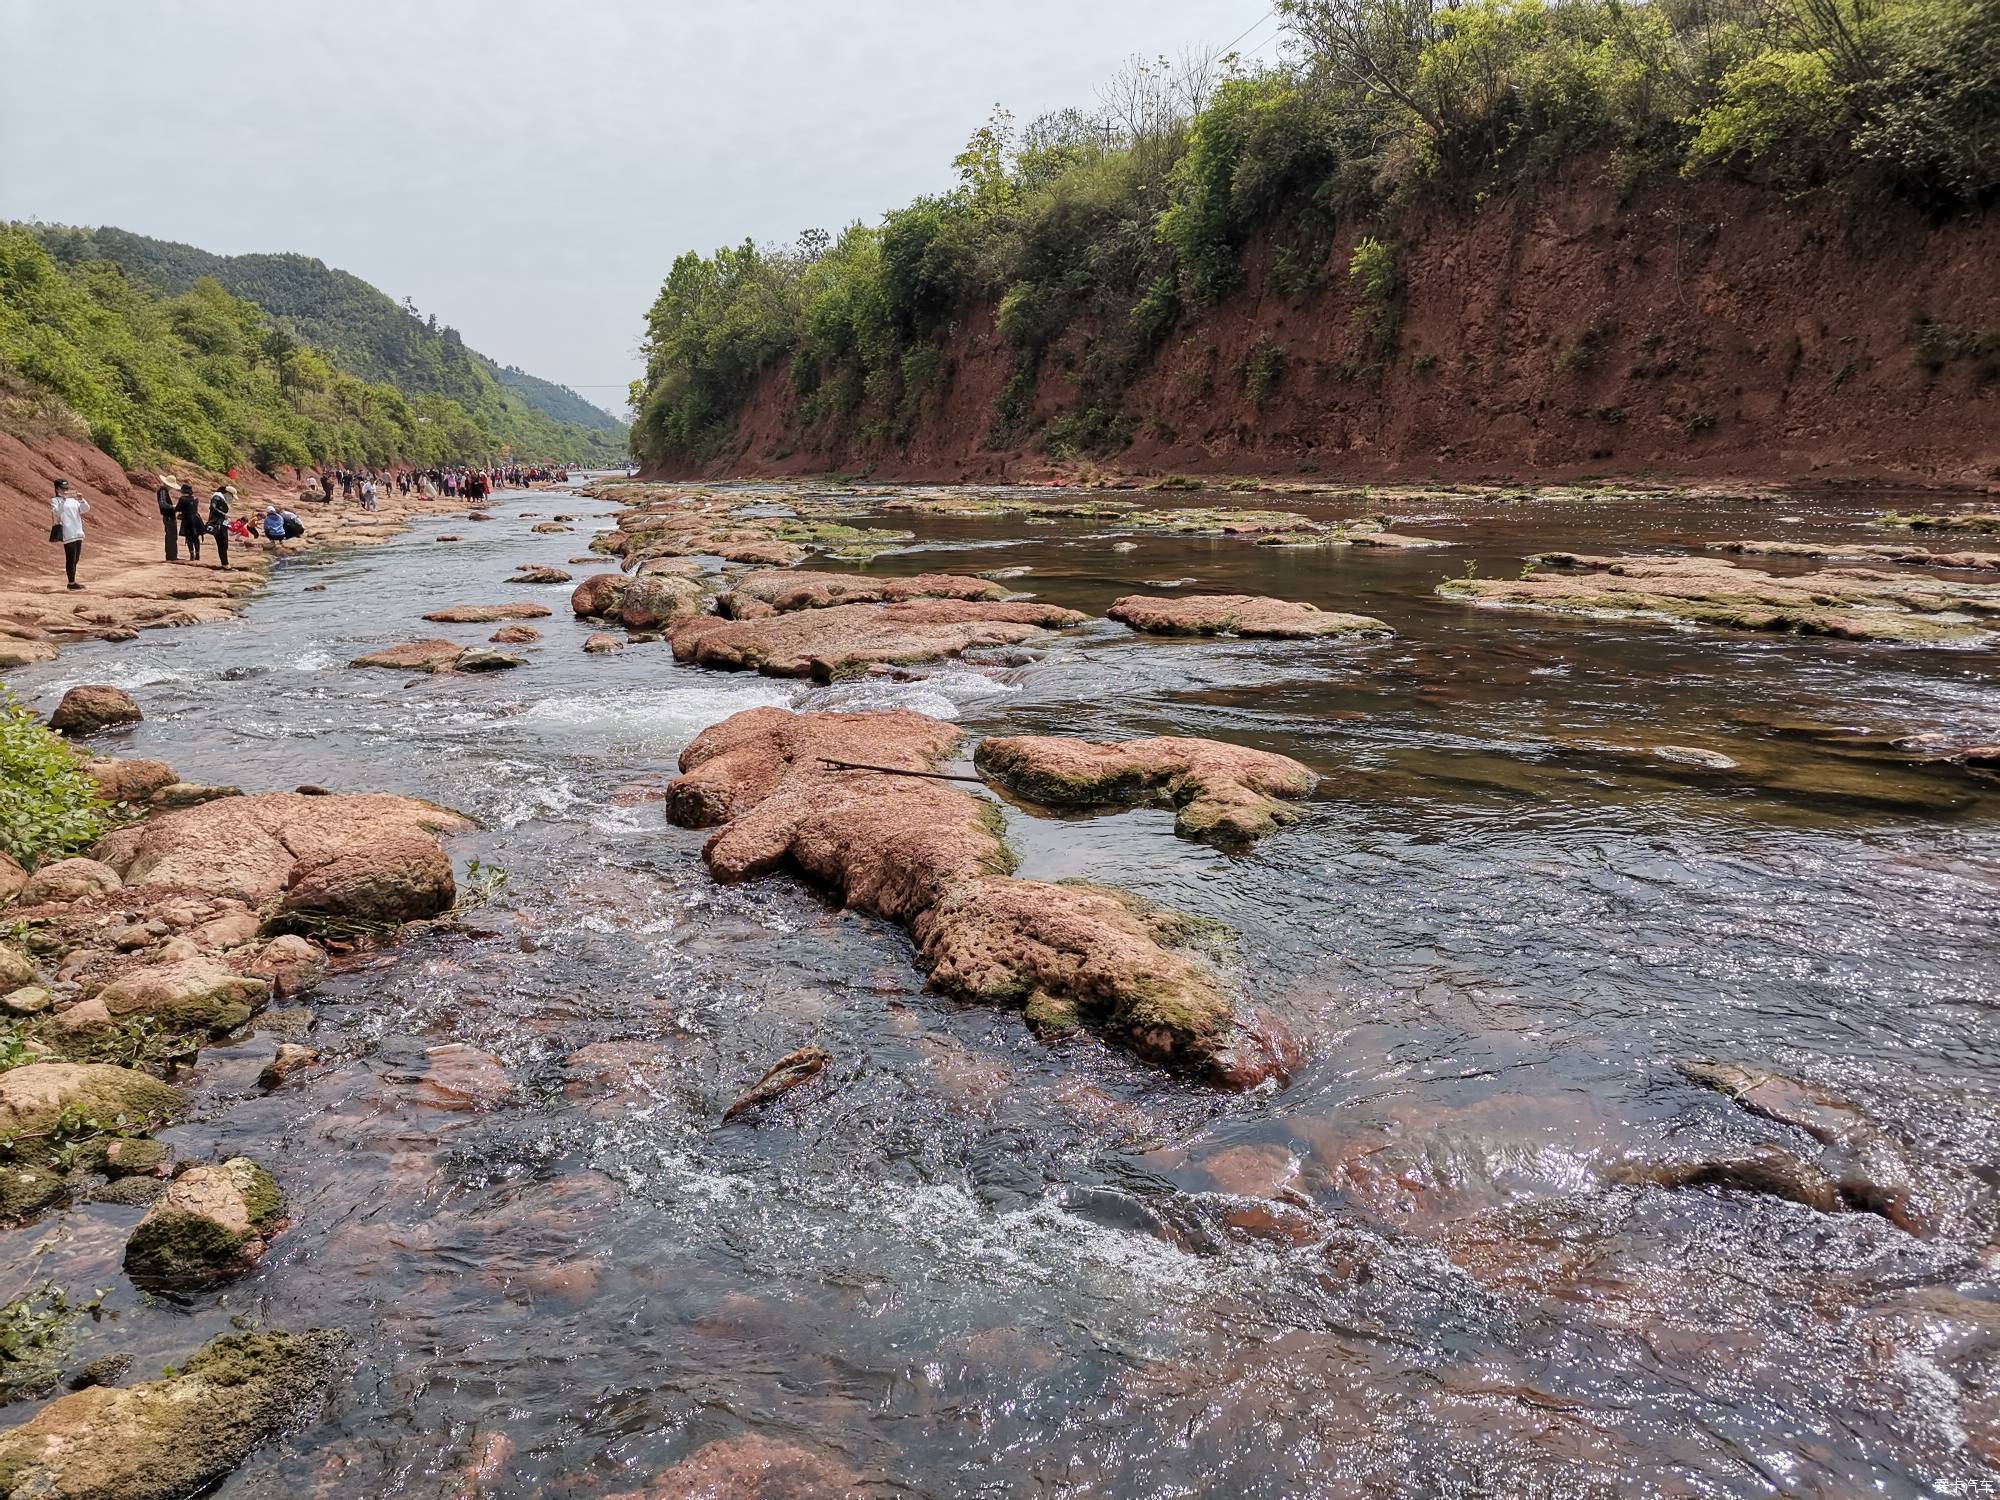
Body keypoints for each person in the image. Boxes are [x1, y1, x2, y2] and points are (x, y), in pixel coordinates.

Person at [50, 477, 89, 590]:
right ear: (57, 489)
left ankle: (73, 581)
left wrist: (81, 500)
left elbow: (85, 509)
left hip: (78, 531)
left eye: (67, 488)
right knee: (71, 559)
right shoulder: (55, 501)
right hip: (67, 532)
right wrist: (63, 500)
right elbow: (57, 512)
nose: (65, 490)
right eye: (63, 488)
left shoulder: (73, 500)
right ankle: (71, 583)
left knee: (76, 558)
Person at [176, 480, 204, 562]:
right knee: (196, 537)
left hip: (187, 519)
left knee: (189, 537)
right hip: (196, 519)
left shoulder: (182, 499)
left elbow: (178, 508)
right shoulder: (196, 499)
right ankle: (198, 554)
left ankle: (192, 554)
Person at [208, 484, 234, 570]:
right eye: (232, 495)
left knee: (224, 544)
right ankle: (225, 564)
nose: (232, 498)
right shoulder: (216, 497)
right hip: (218, 524)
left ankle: (225, 563)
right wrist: (224, 514)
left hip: (223, 524)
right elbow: (212, 508)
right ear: (227, 493)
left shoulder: (222, 498)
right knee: (222, 544)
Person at [155, 473, 179, 561]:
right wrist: (174, 507)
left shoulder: (163, 491)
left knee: (171, 536)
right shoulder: (163, 491)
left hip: (169, 516)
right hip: (168, 517)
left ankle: (172, 556)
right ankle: (171, 556)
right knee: (171, 536)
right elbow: (163, 504)